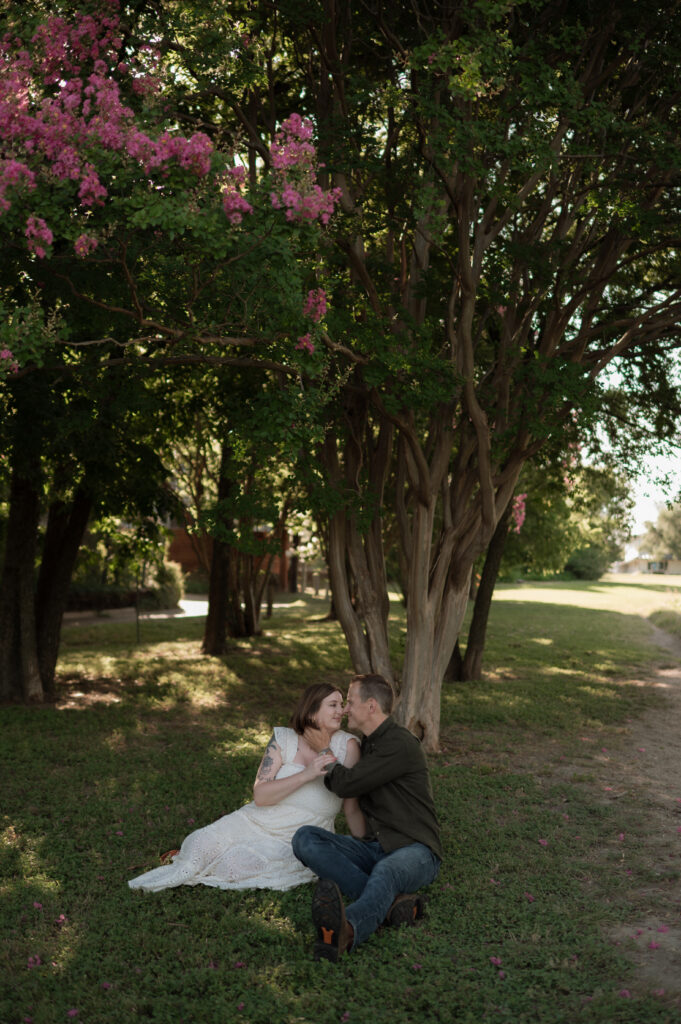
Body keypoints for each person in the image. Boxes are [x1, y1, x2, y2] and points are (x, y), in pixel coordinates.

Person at [128, 683, 364, 893]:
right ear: (311, 710)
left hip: (297, 837)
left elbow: (351, 807)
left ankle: (210, 863)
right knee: (199, 842)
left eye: (341, 704)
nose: (341, 710)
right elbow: (261, 795)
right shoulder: (284, 738)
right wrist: (306, 774)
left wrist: (364, 848)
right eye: (333, 705)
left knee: (235, 864)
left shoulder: (348, 747)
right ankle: (193, 859)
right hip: (256, 820)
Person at [292, 673, 442, 962]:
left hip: (416, 850)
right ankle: (392, 904)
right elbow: (352, 797)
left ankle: (345, 931)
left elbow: (346, 784)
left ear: (371, 706)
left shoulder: (399, 743)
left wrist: (323, 749)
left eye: (350, 702)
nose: (345, 709)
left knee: (386, 871)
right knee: (305, 839)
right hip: (376, 847)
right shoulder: (368, 744)